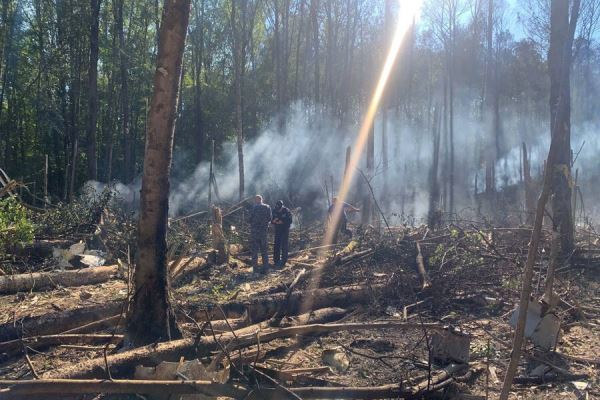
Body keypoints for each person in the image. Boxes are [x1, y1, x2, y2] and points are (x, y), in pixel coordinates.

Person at [250, 195, 272, 273]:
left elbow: (250, 219)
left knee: (254, 252)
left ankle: (255, 269)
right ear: (261, 199)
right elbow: (270, 218)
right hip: (263, 233)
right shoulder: (267, 207)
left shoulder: (253, 208)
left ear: (256, 200)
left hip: (255, 233)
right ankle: (265, 268)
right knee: (264, 251)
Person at [271, 200, 292, 267]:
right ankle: (276, 260)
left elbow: (290, 221)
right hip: (277, 230)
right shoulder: (274, 210)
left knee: (284, 245)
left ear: (282, 206)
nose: (278, 210)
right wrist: (273, 221)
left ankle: (284, 260)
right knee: (276, 245)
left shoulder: (287, 211)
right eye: (277, 208)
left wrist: (282, 222)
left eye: (279, 208)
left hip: (285, 230)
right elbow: (271, 219)